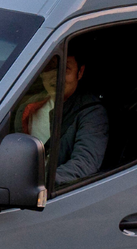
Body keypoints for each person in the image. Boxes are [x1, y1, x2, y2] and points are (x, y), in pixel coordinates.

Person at [22, 51, 108, 187]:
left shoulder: (91, 112)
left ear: (80, 72)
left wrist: (41, 182)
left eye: (65, 68)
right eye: (49, 68)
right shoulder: (27, 107)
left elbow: (85, 163)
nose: (56, 76)